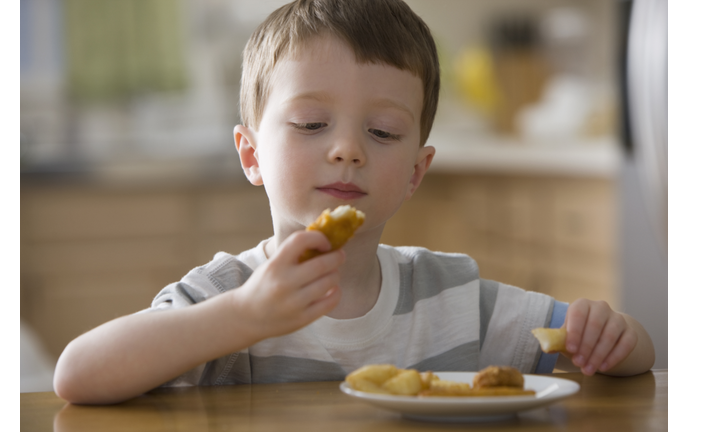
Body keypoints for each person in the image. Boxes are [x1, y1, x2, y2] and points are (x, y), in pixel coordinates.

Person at [53, 0, 655, 405]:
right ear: (251, 155)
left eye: (384, 133)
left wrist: (613, 335)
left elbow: (630, 356)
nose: (346, 150)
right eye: (312, 124)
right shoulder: (223, 297)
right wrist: (243, 318)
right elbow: (77, 375)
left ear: (417, 172)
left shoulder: (451, 296)